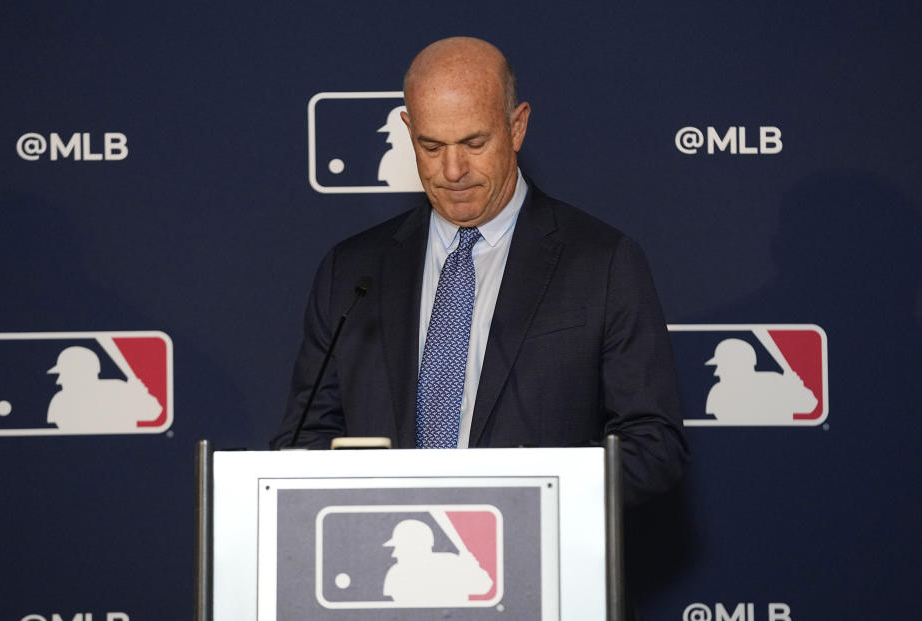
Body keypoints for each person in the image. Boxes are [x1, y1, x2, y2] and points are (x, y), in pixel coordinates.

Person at [272, 36, 688, 507]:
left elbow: (653, 447)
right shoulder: (351, 271)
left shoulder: (602, 262)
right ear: (409, 131)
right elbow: (304, 439)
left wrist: (530, 498)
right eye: (431, 146)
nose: (453, 170)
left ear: (517, 127)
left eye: (474, 142)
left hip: (538, 560)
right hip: (384, 560)